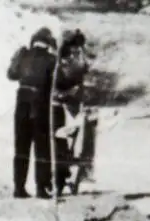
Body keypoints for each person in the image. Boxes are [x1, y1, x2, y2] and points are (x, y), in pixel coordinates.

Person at [7, 27, 58, 199]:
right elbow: (60, 83)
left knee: (21, 147)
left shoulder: (23, 55)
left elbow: (11, 74)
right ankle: (42, 188)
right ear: (48, 44)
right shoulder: (51, 60)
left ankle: (19, 188)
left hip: (21, 103)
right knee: (42, 147)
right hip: (39, 106)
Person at [53, 29, 92, 194]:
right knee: (71, 143)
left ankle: (64, 178)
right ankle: (66, 178)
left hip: (68, 104)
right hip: (70, 104)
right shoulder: (71, 59)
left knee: (65, 143)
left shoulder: (66, 59)